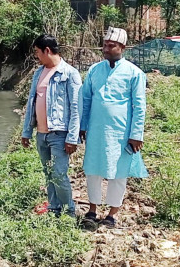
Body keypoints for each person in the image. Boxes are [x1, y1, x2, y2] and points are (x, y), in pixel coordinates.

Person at [80, 27, 148, 228]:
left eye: (111, 46)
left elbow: (139, 106)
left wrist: (136, 134)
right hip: (96, 130)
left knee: (119, 173)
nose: (106, 49)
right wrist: (82, 126)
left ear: (122, 48)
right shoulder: (94, 70)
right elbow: (86, 100)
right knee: (93, 169)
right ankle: (92, 210)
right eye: (105, 45)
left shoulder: (134, 73)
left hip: (122, 133)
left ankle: (111, 214)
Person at [21, 34, 82, 217]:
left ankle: (68, 213)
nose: (37, 56)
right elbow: (32, 101)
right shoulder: (39, 73)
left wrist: (72, 137)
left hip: (59, 134)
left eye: (38, 52)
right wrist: (27, 131)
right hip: (41, 135)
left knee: (58, 174)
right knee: (48, 174)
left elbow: (76, 107)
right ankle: (55, 209)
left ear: (47, 51)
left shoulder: (69, 73)